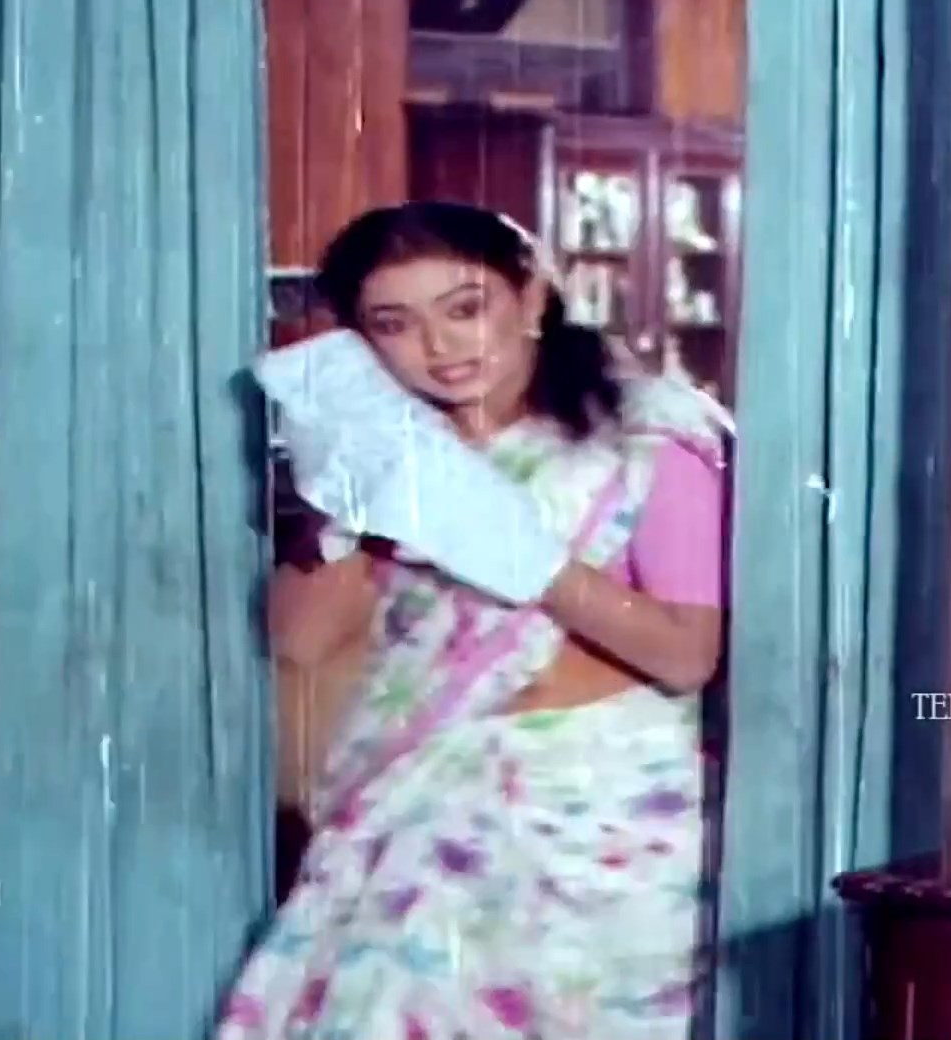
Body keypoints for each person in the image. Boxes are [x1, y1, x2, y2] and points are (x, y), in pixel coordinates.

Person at [221, 201, 730, 1039]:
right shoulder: (395, 461)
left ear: (529, 296)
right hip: (435, 806)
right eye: (395, 324)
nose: (442, 346)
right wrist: (343, 501)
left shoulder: (643, 439)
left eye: (465, 307)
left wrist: (514, 551)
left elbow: (685, 656)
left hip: (612, 819)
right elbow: (300, 639)